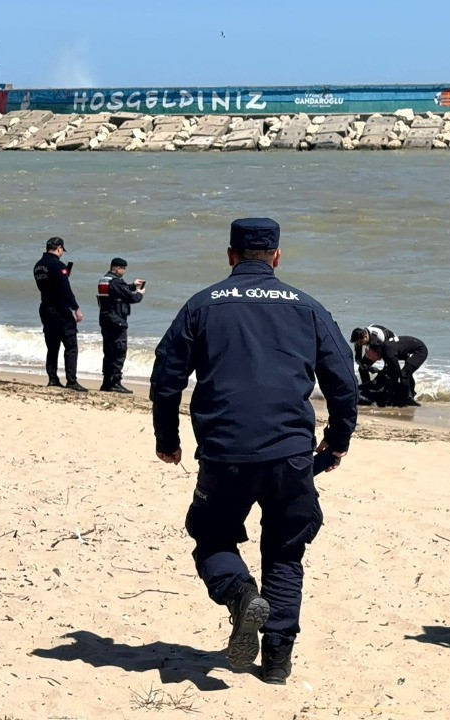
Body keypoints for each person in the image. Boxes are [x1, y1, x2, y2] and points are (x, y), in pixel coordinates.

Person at [150, 218, 357, 685]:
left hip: (224, 451)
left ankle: (241, 595)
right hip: (290, 452)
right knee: (285, 553)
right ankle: (278, 662)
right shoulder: (306, 306)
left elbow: (166, 377)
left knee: (211, 536)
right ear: (277, 257)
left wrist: (168, 439)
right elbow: (344, 382)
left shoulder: (202, 304)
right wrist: (339, 440)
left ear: (230, 255)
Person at [33, 236, 86, 391]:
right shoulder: (58, 265)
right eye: (62, 250)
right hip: (60, 310)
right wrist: (76, 308)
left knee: (52, 346)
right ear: (59, 248)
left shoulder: (38, 266)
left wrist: (62, 276)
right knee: (71, 345)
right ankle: (71, 381)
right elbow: (65, 290)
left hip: (45, 308)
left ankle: (53, 379)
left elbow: (48, 285)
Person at [96, 257, 146, 393]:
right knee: (119, 351)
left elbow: (117, 291)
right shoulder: (115, 281)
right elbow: (131, 298)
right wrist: (140, 294)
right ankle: (115, 382)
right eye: (123, 269)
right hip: (116, 320)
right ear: (118, 268)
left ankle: (107, 382)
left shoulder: (104, 279)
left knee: (108, 351)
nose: (124, 272)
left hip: (105, 319)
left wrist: (132, 285)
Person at [351, 331, 427, 407]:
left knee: (404, 374)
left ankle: (404, 402)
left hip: (419, 350)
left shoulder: (388, 353)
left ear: (375, 352)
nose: (370, 359)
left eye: (369, 356)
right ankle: (405, 398)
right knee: (391, 375)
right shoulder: (383, 352)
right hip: (402, 349)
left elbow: (397, 373)